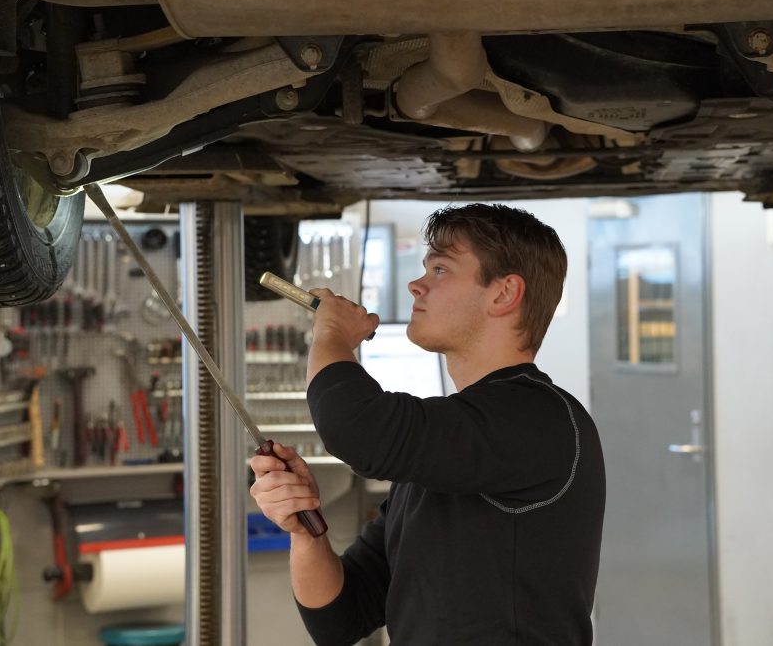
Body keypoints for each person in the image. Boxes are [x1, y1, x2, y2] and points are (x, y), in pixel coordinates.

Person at [250, 203, 605, 645]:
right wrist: (304, 531)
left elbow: (357, 429)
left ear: (503, 294)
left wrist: (332, 334)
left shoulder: (540, 418)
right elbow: (340, 617)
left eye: (440, 269)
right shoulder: (452, 443)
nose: (416, 285)